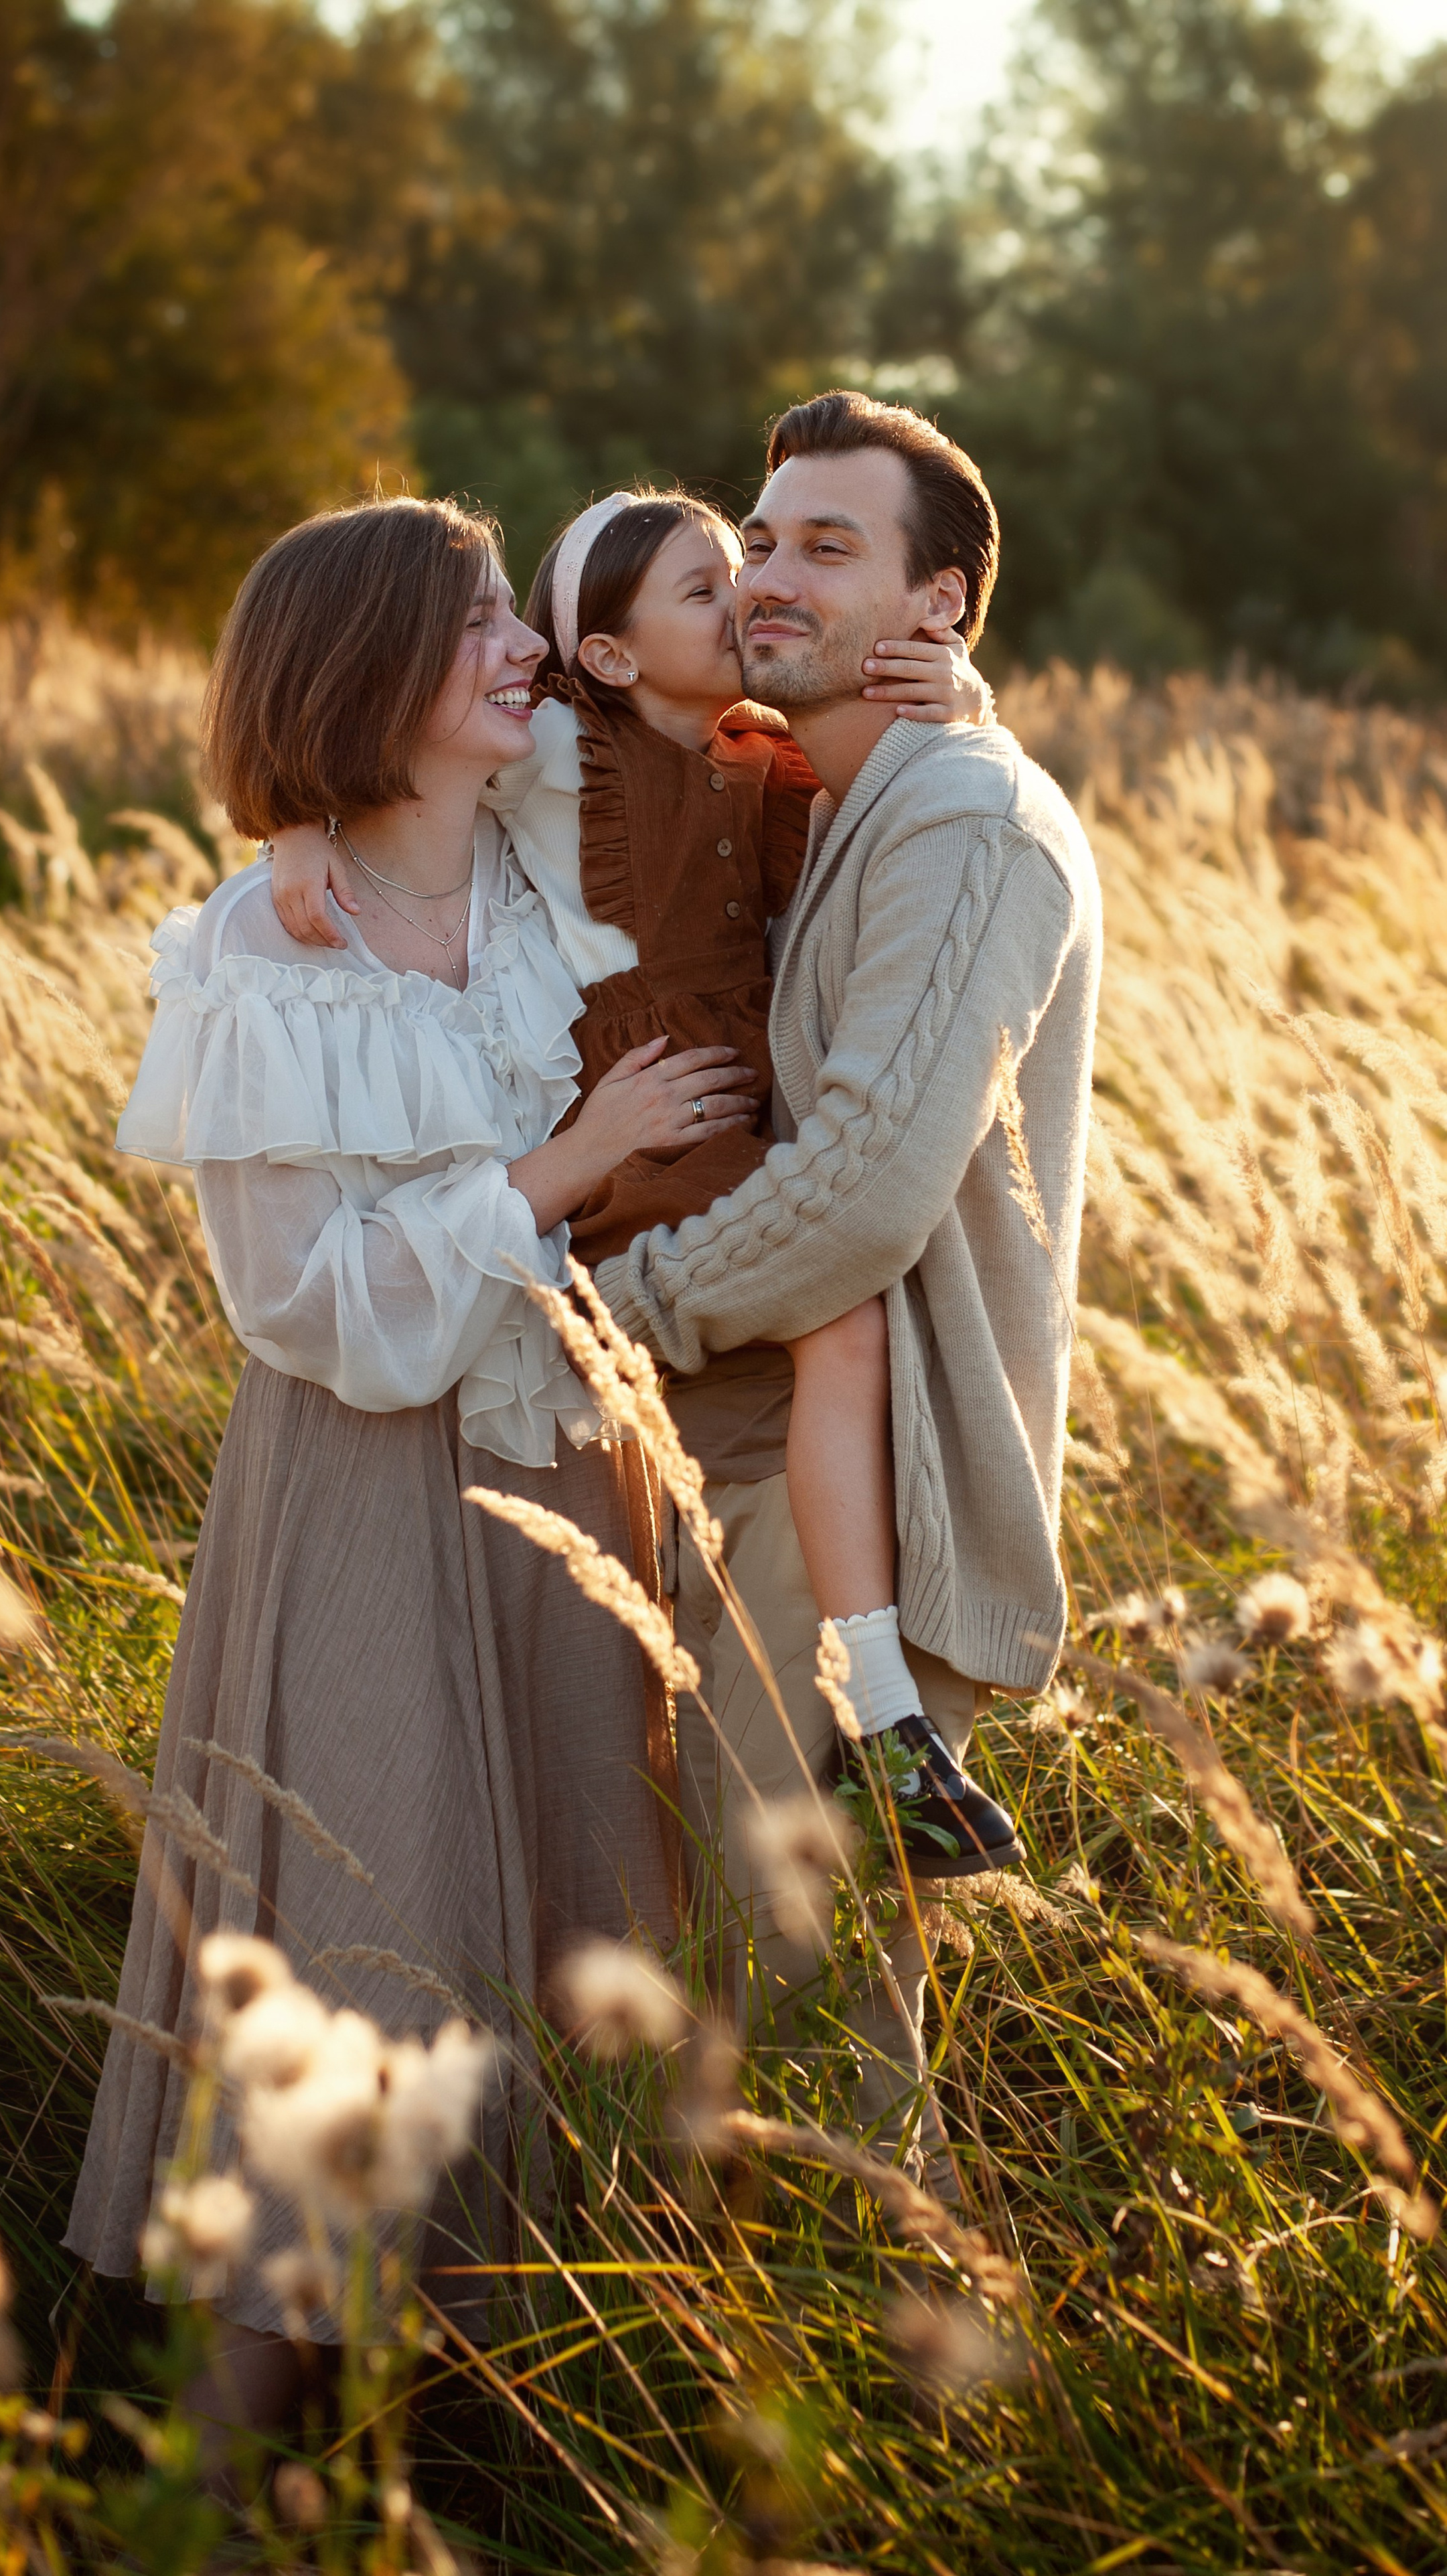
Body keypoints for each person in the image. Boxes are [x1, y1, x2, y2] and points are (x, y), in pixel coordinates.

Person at [64, 495, 747, 2441]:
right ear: (369, 673)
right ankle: (210, 2483)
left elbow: (685, 669)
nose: (517, 644)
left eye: (509, 617)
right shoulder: (261, 956)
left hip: (589, 1470)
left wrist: (928, 670)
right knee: (374, 1953)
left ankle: (546, 2436)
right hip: (371, 1486)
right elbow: (310, 1305)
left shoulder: (557, 860)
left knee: (598, 1927)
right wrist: (560, 1167)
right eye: (471, 626)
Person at [267, 489, 1015, 1955]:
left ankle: (875, 1714)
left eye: (741, 575)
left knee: (842, 1326)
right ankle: (878, 1716)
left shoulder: (766, 757)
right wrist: (298, 831)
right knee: (839, 1313)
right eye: (705, 587)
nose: (743, 601)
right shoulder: (556, 753)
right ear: (602, 659)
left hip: (727, 1113)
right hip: (647, 1124)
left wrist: (967, 692)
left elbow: (908, 764)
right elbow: (386, 732)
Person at [591, 392, 1103, 2174]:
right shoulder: (834, 788)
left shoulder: (965, 823)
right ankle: (818, 2368)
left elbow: (872, 1193)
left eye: (831, 545)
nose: (769, 574)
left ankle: (870, 2387)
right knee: (790, 2018)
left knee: (789, 2023)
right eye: (765, 535)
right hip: (779, 1469)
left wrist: (617, 1310)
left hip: (871, 1504)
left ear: (940, 605)